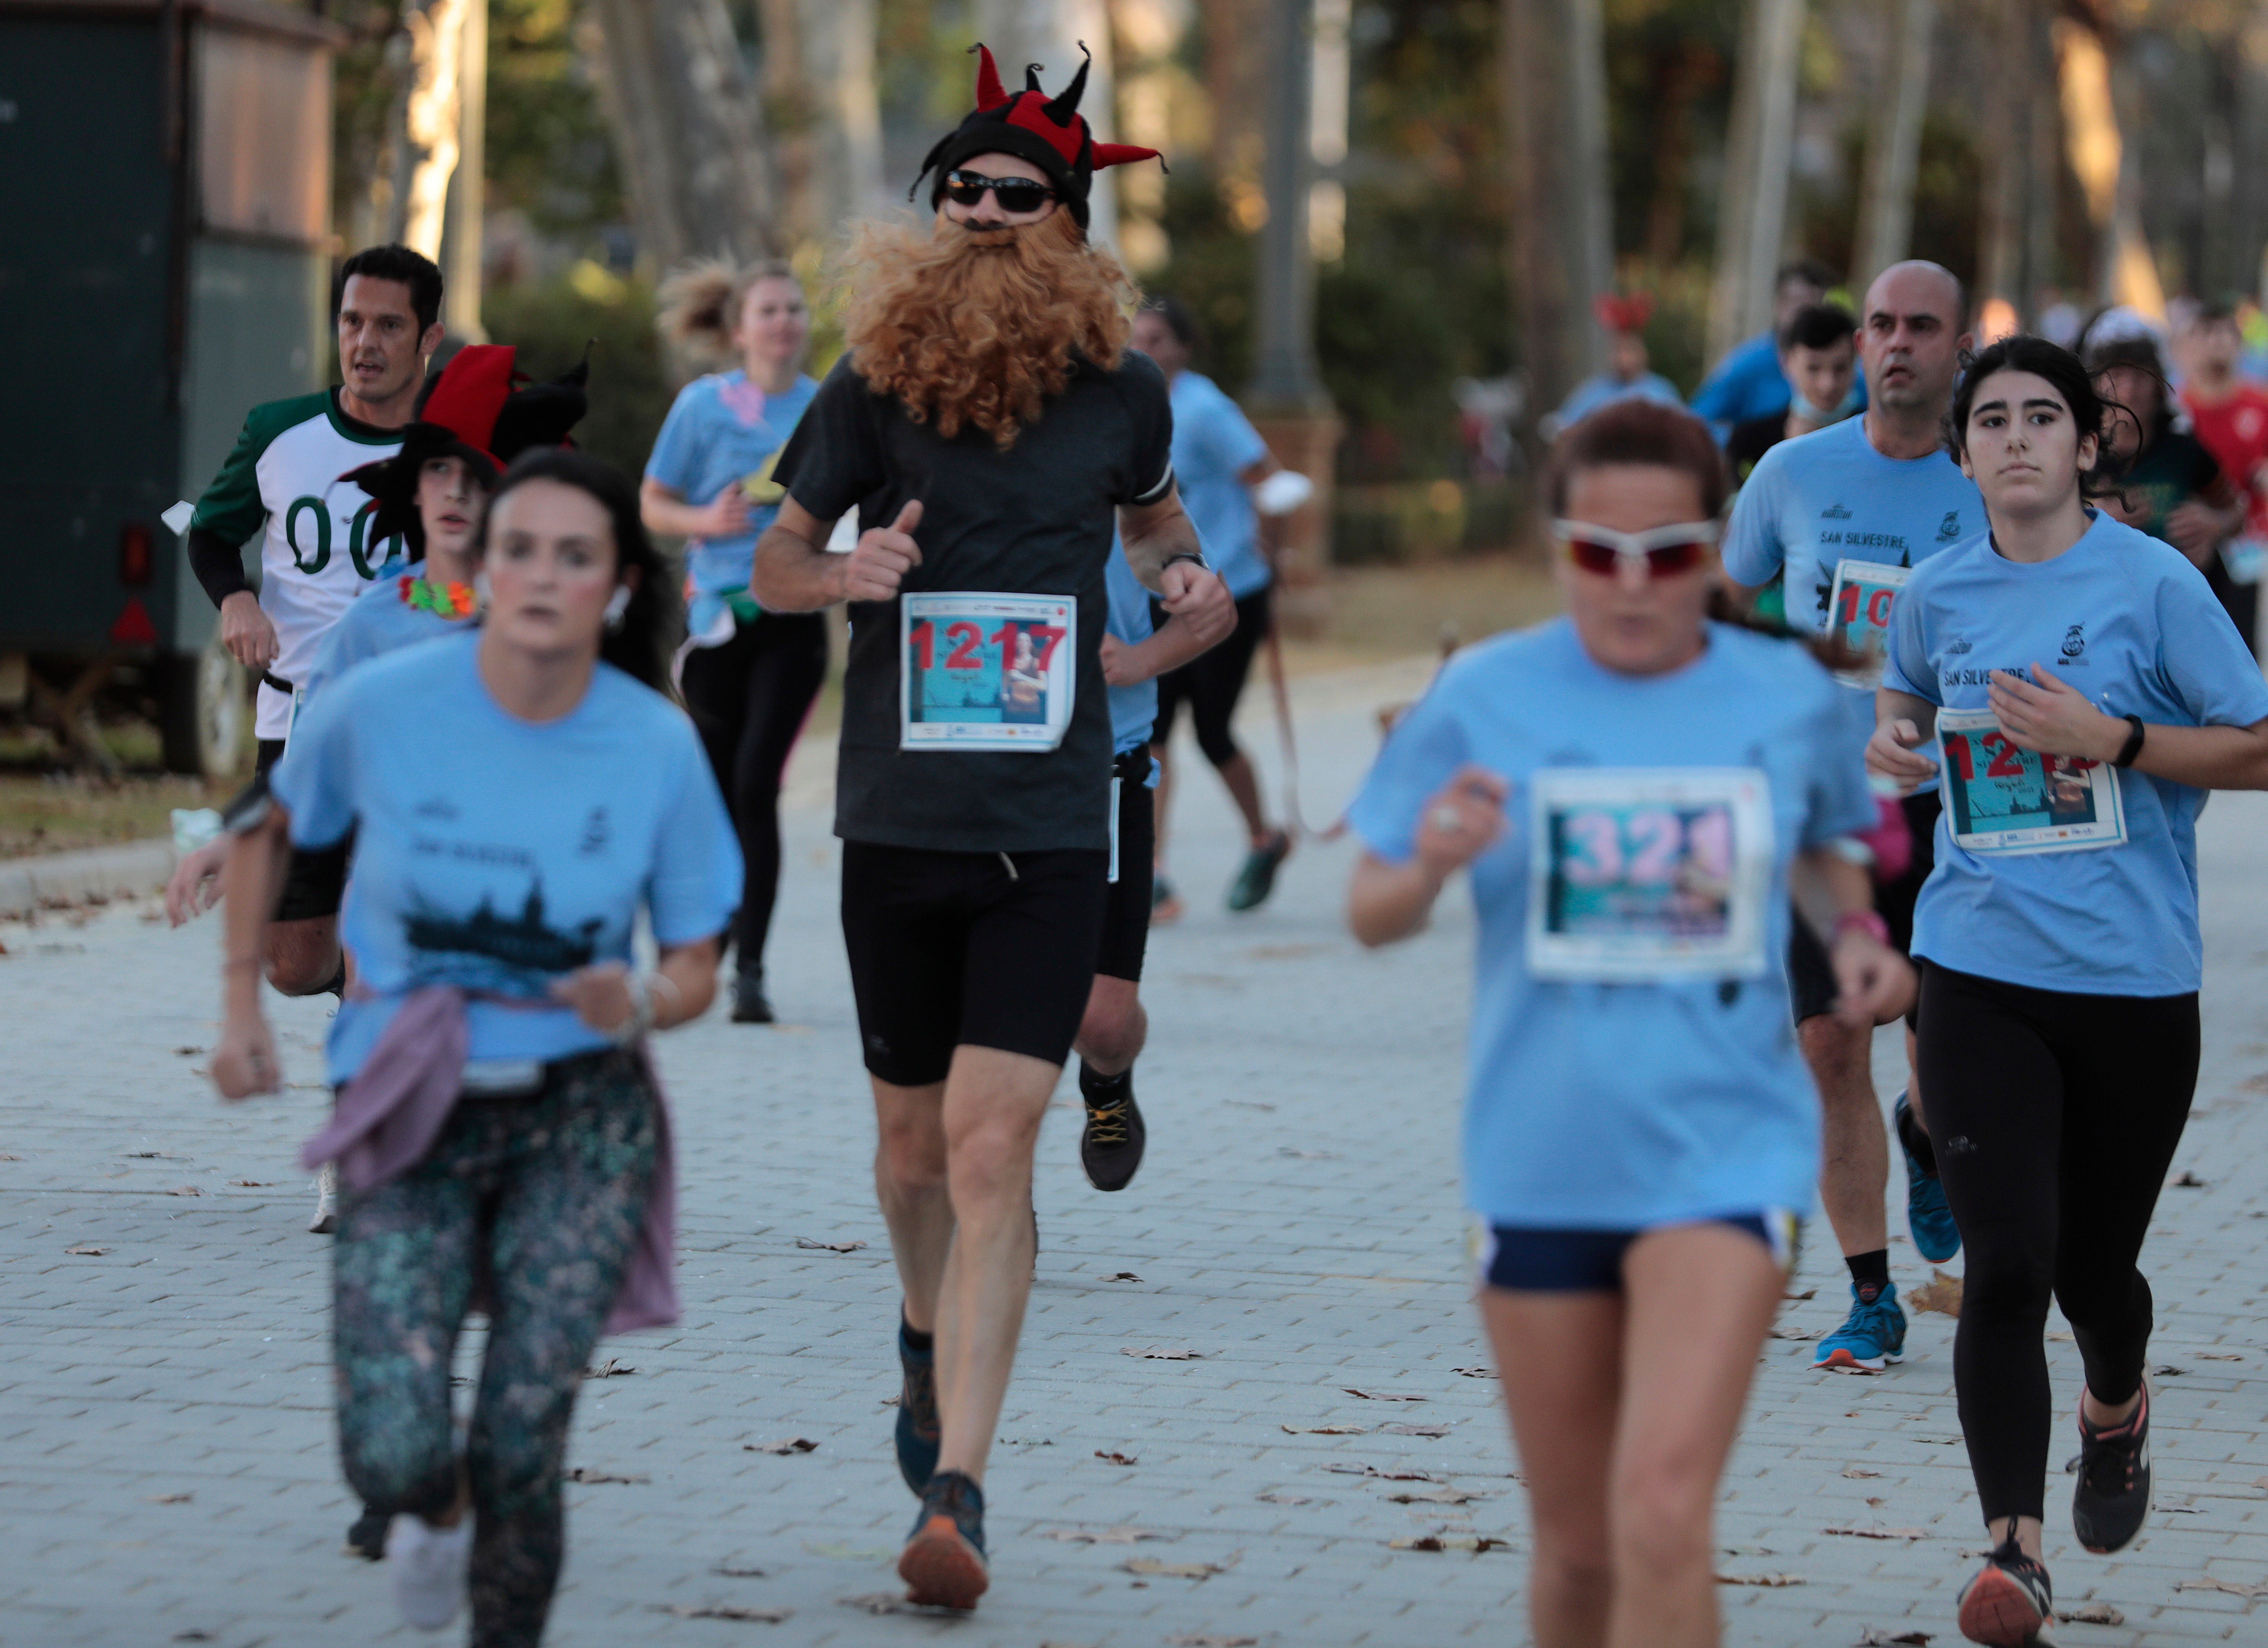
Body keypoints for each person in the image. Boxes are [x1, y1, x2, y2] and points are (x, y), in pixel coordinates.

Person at [749, 45, 1222, 1613]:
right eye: (963, 190)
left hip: (1048, 813)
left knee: (990, 1142)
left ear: (1071, 229)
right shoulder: (873, 381)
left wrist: (1178, 586)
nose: (990, 212)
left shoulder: (1122, 394)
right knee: (907, 1154)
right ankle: (917, 1320)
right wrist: (841, 581)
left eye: (1022, 197)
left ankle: (959, 1480)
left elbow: (1155, 519)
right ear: (931, 210)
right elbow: (773, 561)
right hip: (893, 815)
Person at [1346, 399, 1912, 1648]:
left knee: (1660, 1507)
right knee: (1580, 1547)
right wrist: (1432, 858)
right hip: (1539, 1155)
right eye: (1600, 554)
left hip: (1725, 1152)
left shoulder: (1782, 694)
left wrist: (1859, 935)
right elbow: (1369, 908)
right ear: (1558, 549)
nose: (1633, 583)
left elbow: (1830, 842)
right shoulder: (1480, 695)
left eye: (1666, 555)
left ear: (1709, 551)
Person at [209, 448, 740, 1645]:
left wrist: (645, 997)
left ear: (613, 588)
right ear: (477, 566)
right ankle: (427, 1504)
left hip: (581, 1118)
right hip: (412, 1104)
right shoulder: (385, 701)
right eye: (520, 549)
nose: (542, 576)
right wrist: (243, 1006)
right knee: (392, 1438)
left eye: (575, 556)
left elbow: (699, 959)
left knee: (520, 1430)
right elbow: (266, 826)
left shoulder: (653, 743)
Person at [1867, 335, 2268, 1646]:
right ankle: (2011, 1553)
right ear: (1962, 448)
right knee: (2005, 1263)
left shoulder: (2154, 586)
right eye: (1992, 418)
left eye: (2044, 415)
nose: (2019, 436)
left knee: (2096, 1270)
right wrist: (1890, 734)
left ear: (2086, 443)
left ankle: (2115, 1400)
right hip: (1975, 966)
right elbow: (1907, 701)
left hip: (2132, 980)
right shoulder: (1932, 593)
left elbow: (2256, 747)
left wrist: (2118, 741)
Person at [167, 343, 590, 1242]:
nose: (450, 496)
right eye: (433, 475)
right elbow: (315, 752)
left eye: (468, 480)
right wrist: (228, 837)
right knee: (361, 973)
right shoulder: (382, 612)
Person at [1721, 260, 1983, 1374]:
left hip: (1958, 814)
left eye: (1919, 327)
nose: (1894, 344)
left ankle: (1928, 1140)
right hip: (1822, 817)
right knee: (1828, 1042)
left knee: (1942, 1056)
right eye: (1880, 323)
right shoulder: (1787, 474)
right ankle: (1868, 1294)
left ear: (1956, 349)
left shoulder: (1990, 485)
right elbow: (1722, 608)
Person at [643, 259, 830, 1023]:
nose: (783, 322)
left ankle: (748, 970)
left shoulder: (828, 408)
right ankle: (705, 952)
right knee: (718, 794)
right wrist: (705, 523)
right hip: (715, 625)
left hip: (792, 620)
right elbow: (653, 502)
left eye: (793, 308)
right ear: (737, 329)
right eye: (768, 310)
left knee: (758, 785)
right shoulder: (701, 406)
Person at [1130, 295, 1310, 918]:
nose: (1142, 351)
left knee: (1211, 732)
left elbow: (1271, 480)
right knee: (1150, 733)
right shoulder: (1131, 406)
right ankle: (1150, 873)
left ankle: (1264, 839)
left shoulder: (1205, 409)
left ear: (1182, 346)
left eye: (1155, 340)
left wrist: (1271, 553)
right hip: (1160, 589)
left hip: (1227, 591)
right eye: (1134, 338)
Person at [1074, 540, 1237, 1190]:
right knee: (981, 1017)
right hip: (972, 775)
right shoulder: (928, 456)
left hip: (1106, 768)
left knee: (1104, 1025)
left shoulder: (1118, 457)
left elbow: (1211, 611)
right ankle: (997, 1198)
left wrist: (1138, 658)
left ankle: (1107, 1084)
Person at [2085, 333, 2253, 653]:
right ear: (2097, 387)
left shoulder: (2185, 453)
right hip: (2107, 619)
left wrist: (2214, 525)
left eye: (2140, 377)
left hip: (2188, 616)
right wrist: (2093, 520)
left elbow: (2237, 513)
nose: (2130, 390)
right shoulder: (2079, 455)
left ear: (2159, 386)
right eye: (2117, 376)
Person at [2177, 301, 2268, 640]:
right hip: (2189, 545)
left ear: (2238, 344)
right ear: (2188, 346)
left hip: (2248, 551)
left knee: (2242, 642)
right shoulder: (2175, 412)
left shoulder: (2260, 406)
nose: (2216, 343)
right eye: (2206, 334)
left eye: (2224, 334)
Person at [1691, 258, 1836, 437]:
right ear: (1778, 304)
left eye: (1815, 308)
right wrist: (1740, 446)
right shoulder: (1748, 364)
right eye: (1797, 304)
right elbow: (1696, 422)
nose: (1805, 317)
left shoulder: (1847, 371)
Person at [1725, 302, 1861, 485]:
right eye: (1813, 368)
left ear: (1855, 363)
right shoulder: (1748, 442)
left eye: (1840, 369)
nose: (1828, 385)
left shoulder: (1880, 440)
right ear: (1786, 363)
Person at [1551, 295, 1684, 430]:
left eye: (1630, 350)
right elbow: (1563, 427)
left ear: (1643, 352)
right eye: (1618, 350)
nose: (1624, 359)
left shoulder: (1661, 392)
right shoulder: (1593, 391)